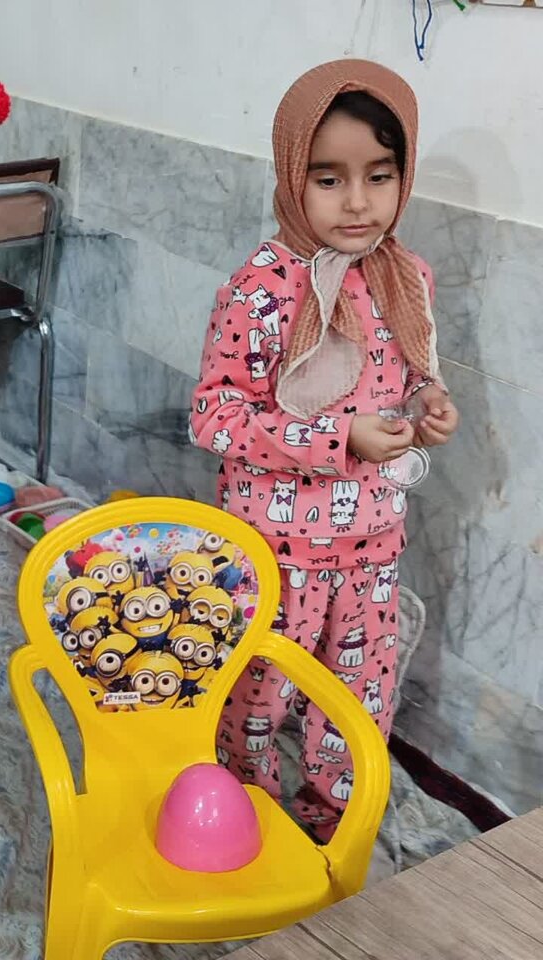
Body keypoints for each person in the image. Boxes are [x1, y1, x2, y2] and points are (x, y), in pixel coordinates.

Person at [189, 60, 459, 839]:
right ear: (291, 175)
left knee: (357, 705)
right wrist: (339, 439)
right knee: (254, 700)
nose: (359, 202)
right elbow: (214, 416)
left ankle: (329, 832)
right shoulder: (263, 289)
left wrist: (428, 402)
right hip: (275, 553)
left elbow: (408, 372)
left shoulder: (406, 278)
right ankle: (243, 820)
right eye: (329, 178)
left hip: (372, 547)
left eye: (380, 176)